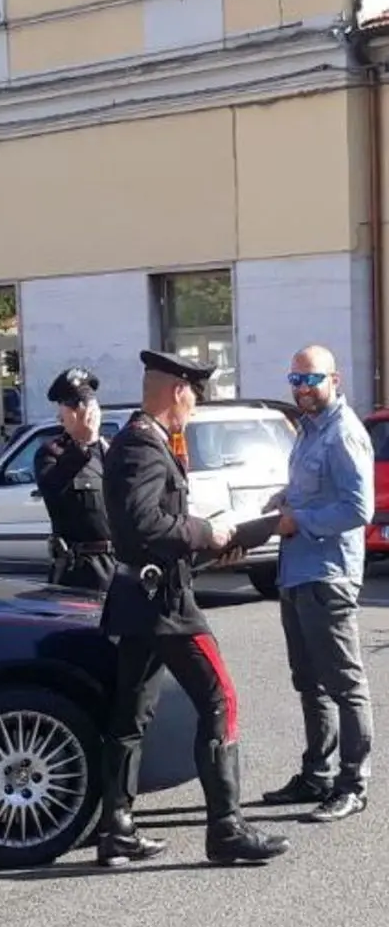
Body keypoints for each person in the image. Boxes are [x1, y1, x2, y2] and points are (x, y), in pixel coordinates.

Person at [96, 349, 290, 867]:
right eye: (194, 395)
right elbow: (144, 527)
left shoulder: (140, 442)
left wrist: (218, 541)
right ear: (178, 391)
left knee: (130, 716)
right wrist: (208, 530)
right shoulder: (142, 447)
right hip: (164, 605)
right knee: (220, 699)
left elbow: (156, 529)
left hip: (143, 600)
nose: (196, 405)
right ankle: (226, 829)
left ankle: (116, 827)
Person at [261, 345, 375, 821]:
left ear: (335, 380)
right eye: (295, 379)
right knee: (309, 681)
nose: (302, 388)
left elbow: (358, 510)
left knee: (344, 683)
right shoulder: (308, 430)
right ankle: (317, 774)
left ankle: (353, 783)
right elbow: (314, 490)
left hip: (328, 574)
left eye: (311, 379)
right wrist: (285, 496)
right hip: (297, 572)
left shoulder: (344, 433)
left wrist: (299, 519)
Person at [34, 367, 114, 592]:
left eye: (67, 409)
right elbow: (53, 491)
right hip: (79, 570)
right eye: (64, 409)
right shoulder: (52, 453)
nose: (61, 417)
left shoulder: (113, 452)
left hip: (118, 567)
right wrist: (82, 446)